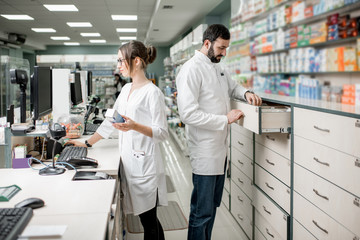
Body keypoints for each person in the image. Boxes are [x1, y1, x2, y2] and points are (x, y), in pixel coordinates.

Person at [68, 40, 168, 240]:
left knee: (148, 222)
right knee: (147, 220)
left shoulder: (152, 93)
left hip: (145, 165)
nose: (119, 65)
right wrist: (87, 143)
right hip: (130, 162)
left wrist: (134, 126)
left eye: (121, 60)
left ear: (137, 61)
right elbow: (109, 121)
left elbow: (162, 132)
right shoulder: (126, 89)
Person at [176, 24, 262, 240]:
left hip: (220, 152)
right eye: (221, 48)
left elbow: (233, 87)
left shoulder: (218, 66)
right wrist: (225, 119)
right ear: (207, 43)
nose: (224, 53)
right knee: (201, 212)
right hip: (205, 152)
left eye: (226, 48)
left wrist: (247, 92)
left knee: (213, 207)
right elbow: (187, 114)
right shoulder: (191, 69)